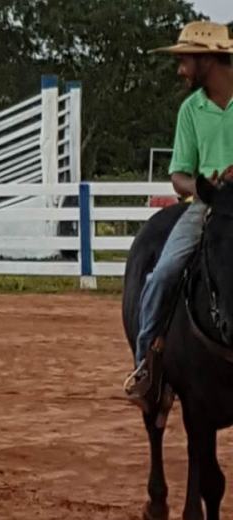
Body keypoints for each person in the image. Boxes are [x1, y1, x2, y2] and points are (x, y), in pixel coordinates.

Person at [124, 21, 233, 410]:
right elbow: (177, 176)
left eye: (185, 59)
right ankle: (147, 367)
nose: (180, 68)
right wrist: (204, 186)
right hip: (206, 205)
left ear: (207, 60)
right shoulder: (191, 110)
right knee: (165, 272)